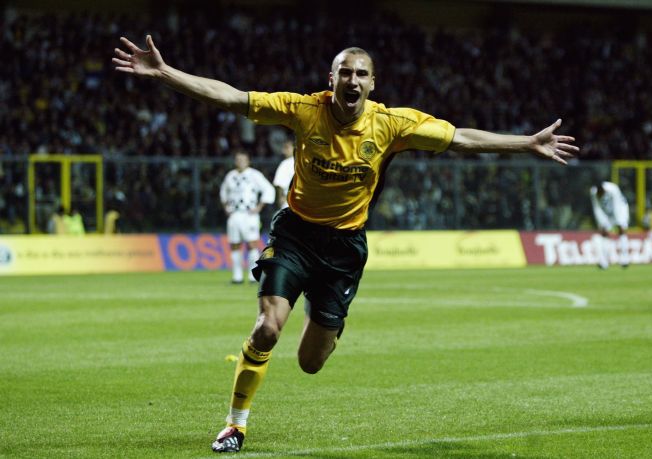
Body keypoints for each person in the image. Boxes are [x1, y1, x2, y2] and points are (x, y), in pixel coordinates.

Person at [113, 35, 578, 453]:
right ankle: (235, 424)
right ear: (331, 79)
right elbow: (233, 97)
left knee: (311, 362)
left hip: (344, 250)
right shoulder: (303, 110)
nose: (352, 80)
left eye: (361, 74)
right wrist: (165, 73)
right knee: (267, 329)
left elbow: (460, 138)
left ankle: (329, 318)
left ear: (372, 83)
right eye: (345, 72)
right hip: (295, 235)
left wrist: (525, 143)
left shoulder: (393, 124)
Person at [220, 150, 275, 283]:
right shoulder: (230, 176)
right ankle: (237, 277)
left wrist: (259, 207)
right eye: (238, 159)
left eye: (243, 159)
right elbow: (223, 192)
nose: (240, 162)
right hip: (234, 214)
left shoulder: (255, 175)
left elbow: (269, 189)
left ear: (248, 161)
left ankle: (252, 276)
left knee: (252, 244)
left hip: (249, 215)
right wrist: (226, 207)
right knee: (234, 245)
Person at [590, 181, 630, 269]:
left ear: (604, 189)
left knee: (621, 230)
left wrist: (618, 222)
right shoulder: (593, 192)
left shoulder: (613, 189)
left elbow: (617, 205)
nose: (600, 195)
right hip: (607, 211)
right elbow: (597, 208)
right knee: (604, 233)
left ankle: (625, 259)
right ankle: (604, 262)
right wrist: (602, 223)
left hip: (621, 208)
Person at [272, 137, 295, 209]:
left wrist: (280, 199)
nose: (283, 151)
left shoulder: (285, 163)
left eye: (287, 147)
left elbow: (279, 185)